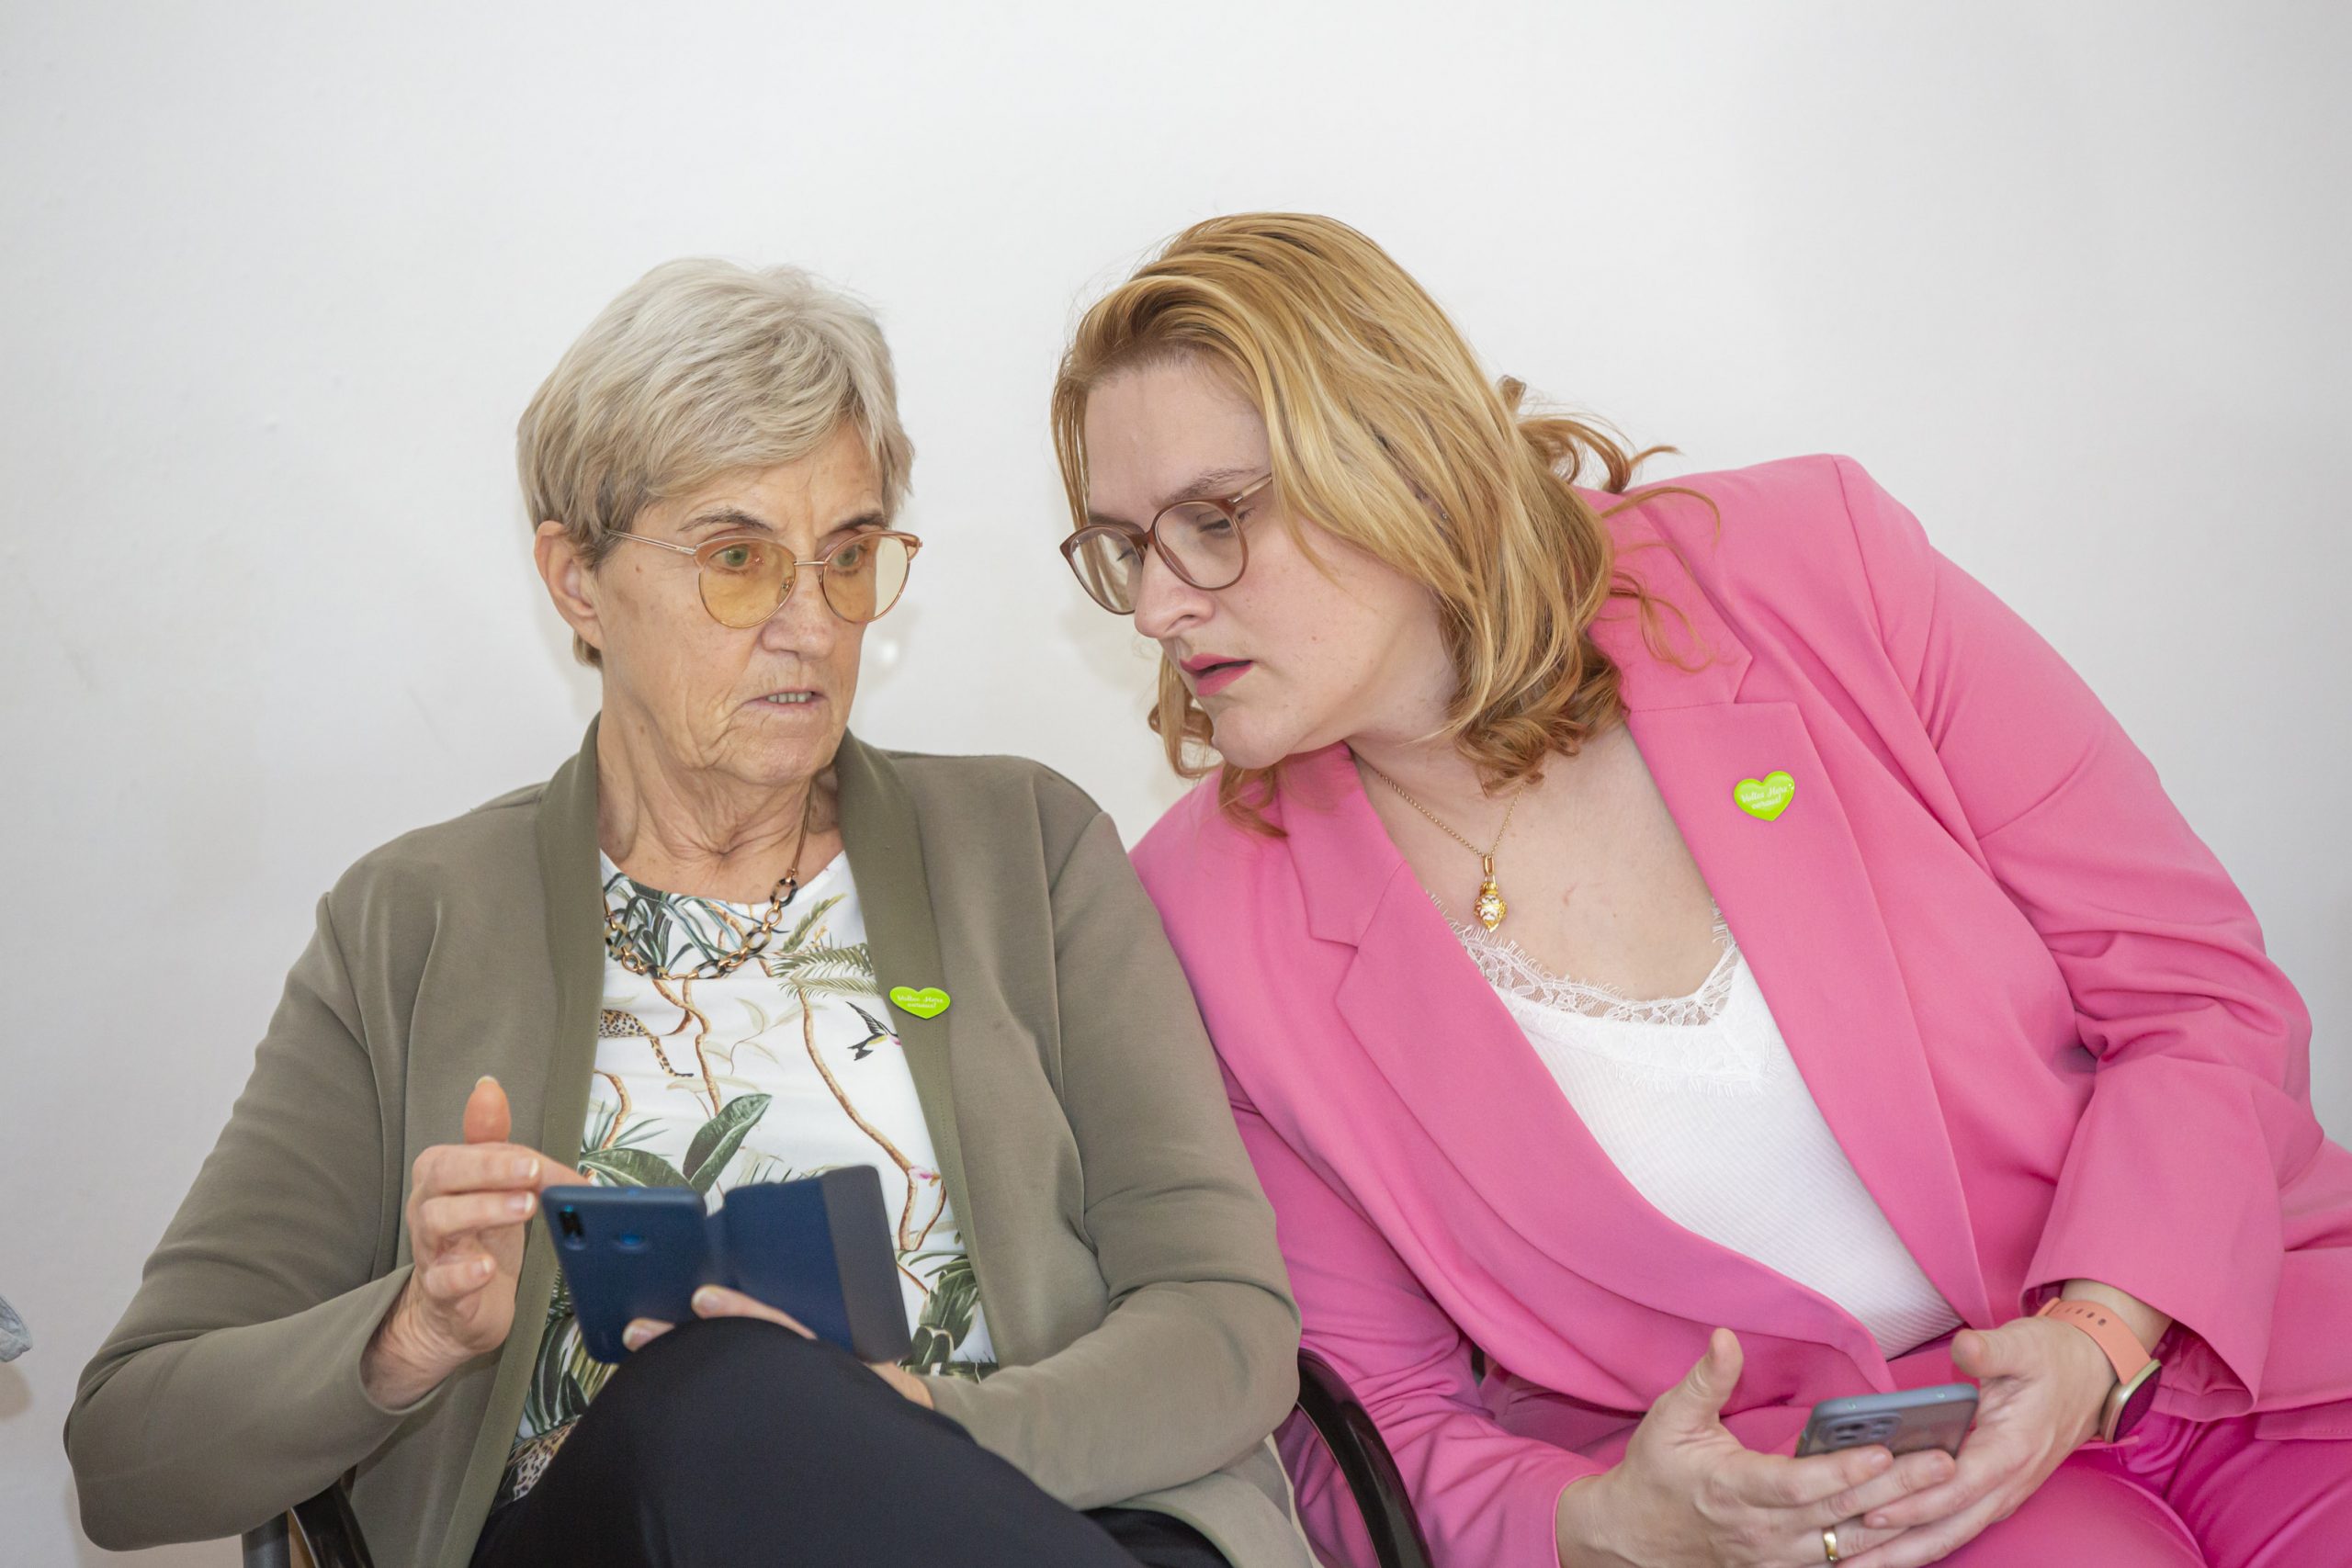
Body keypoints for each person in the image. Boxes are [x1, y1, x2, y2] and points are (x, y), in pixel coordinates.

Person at [1051, 212, 2352, 1567]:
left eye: (1215, 522)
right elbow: (1360, 1422)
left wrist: (2097, 1333)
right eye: (1125, 548)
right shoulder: (1201, 922)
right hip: (1839, 1497)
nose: (1155, 608)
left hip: (2225, 1328)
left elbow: (2192, 993)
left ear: (1400, 466)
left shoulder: (1808, 567)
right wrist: (1601, 1525)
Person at [68, 259, 1310, 1568]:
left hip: (1048, 1520)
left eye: (848, 555)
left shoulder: (1027, 846)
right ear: (578, 580)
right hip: (616, 1531)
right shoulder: (412, 922)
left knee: (768, 1405)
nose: (811, 624)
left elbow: (1224, 1319)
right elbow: (129, 1451)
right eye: (736, 559)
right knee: (723, 1393)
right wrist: (409, 1334)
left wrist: (924, 1433)